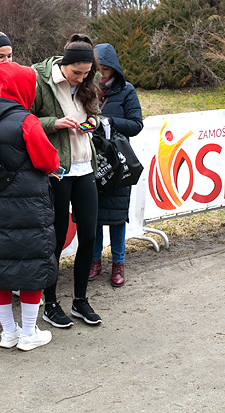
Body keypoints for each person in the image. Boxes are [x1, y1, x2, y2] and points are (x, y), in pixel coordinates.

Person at [0, 61, 61, 351]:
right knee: (31, 267)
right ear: (24, 88)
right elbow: (48, 161)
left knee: (0, 268)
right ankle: (28, 333)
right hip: (28, 206)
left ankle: (8, 332)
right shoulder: (27, 121)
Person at [32, 33, 102, 328]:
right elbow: (28, 119)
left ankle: (80, 300)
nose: (80, 78)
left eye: (86, 74)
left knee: (89, 234)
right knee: (56, 239)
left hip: (85, 166)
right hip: (57, 170)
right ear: (64, 64)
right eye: (77, 73)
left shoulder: (88, 82)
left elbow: (96, 114)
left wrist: (93, 122)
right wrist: (56, 123)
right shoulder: (40, 80)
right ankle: (50, 303)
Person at [89, 43, 143, 287]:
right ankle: (94, 260)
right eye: (98, 69)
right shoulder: (84, 89)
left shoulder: (126, 90)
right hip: (91, 159)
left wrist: (109, 121)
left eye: (106, 69)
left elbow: (136, 124)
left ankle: (118, 263)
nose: (102, 75)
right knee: (94, 216)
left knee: (117, 216)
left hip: (117, 162)